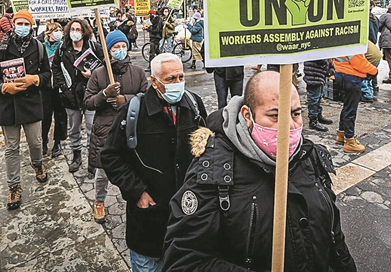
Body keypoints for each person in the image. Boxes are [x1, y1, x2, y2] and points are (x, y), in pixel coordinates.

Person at [163, 70, 356, 271]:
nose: (290, 126)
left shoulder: (310, 157)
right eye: (275, 115)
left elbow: (334, 237)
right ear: (248, 115)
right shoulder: (213, 171)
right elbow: (184, 260)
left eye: (296, 113)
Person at [100, 53, 206, 271]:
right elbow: (111, 156)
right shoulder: (133, 112)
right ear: (154, 81)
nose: (178, 83)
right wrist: (137, 191)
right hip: (149, 224)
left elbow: (206, 148)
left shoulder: (194, 105)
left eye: (181, 77)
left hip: (188, 222)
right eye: (170, 79)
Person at [0, 9, 50, 209]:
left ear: (31, 26)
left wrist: (35, 79)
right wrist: (2, 86)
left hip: (32, 103)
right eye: (19, 23)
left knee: (36, 142)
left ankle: (37, 164)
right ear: (13, 25)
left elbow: (47, 73)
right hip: (8, 105)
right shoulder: (1, 47)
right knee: (11, 148)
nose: (22, 27)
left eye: (26, 24)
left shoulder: (38, 47)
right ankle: (14, 187)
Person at [84, 30, 148, 224]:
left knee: (133, 169)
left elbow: (146, 97)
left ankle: (136, 198)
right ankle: (99, 201)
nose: (120, 50)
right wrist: (104, 94)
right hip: (106, 131)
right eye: (115, 47)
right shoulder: (99, 74)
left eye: (123, 46)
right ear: (108, 50)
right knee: (103, 173)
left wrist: (125, 100)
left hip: (131, 128)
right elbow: (87, 102)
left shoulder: (137, 72)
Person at [52, 18, 104, 174]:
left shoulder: (94, 47)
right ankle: (76, 156)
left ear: (84, 32)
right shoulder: (62, 49)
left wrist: (93, 74)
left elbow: (105, 66)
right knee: (74, 128)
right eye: (72, 29)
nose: (75, 32)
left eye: (78, 29)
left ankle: (92, 159)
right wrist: (64, 88)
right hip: (70, 96)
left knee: (91, 128)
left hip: (90, 95)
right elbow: (56, 69)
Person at [333, 51, 378, 153]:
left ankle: (341, 134)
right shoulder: (353, 44)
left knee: (347, 106)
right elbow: (358, 62)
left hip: (341, 74)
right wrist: (374, 71)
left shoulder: (341, 41)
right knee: (350, 109)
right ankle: (349, 141)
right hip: (351, 77)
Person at [41, 22, 67, 157]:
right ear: (49, 33)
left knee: (60, 115)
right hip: (45, 87)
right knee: (45, 116)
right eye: (55, 30)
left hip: (59, 86)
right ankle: (43, 141)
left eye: (60, 30)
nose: (58, 32)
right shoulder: (41, 47)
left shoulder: (63, 47)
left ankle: (57, 141)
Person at [303, 59, 334, 131]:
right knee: (314, 98)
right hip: (314, 73)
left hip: (318, 73)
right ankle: (313, 121)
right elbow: (321, 58)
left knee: (319, 97)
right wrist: (327, 65)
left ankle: (318, 115)